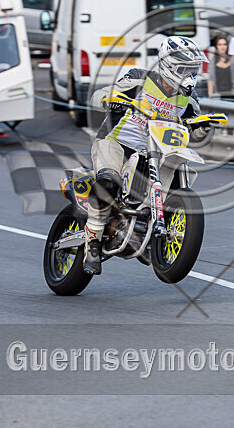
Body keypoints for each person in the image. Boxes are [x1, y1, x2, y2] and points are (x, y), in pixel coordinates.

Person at [85, 36, 208, 274]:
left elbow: (195, 128)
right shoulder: (139, 79)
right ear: (168, 65)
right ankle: (92, 244)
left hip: (157, 152)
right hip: (117, 143)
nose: (189, 76)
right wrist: (111, 100)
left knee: (175, 185)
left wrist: (202, 128)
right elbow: (99, 96)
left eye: (193, 70)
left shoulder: (189, 99)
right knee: (108, 182)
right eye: (184, 70)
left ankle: (153, 234)